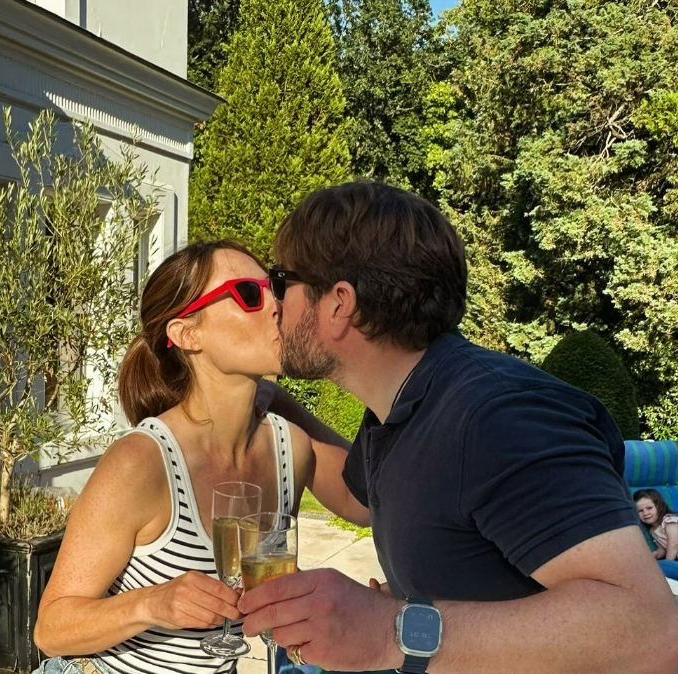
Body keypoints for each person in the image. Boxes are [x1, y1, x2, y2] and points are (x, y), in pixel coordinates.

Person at [239, 181, 678, 674]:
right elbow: (363, 501)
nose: (271, 303)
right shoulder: (400, 408)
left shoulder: (496, 417)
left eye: (280, 281)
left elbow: (652, 632)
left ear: (340, 303)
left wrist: (390, 629)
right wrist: (277, 403)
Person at [33, 240, 365, 674]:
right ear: (187, 334)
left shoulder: (290, 448)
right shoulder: (142, 462)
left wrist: (282, 399)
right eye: (249, 293)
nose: (276, 305)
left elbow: (365, 502)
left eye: (275, 287)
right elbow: (51, 628)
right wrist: (153, 602)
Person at [634, 489, 678, 561]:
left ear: (659, 506)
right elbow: (662, 549)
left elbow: (674, 543)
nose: (645, 513)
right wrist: (654, 555)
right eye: (640, 511)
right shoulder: (653, 530)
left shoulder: (669, 521)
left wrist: (668, 563)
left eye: (649, 508)